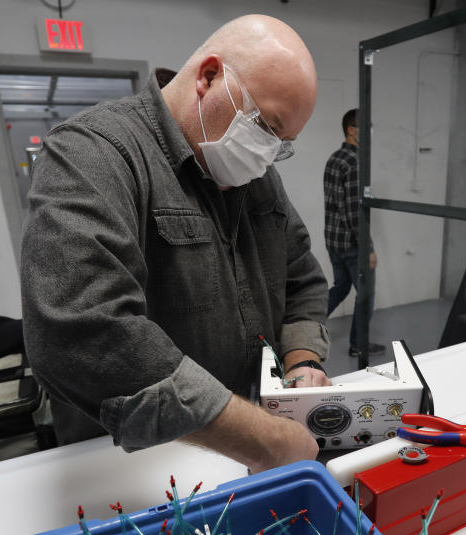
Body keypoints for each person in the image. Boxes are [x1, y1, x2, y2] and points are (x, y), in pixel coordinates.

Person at [21, 15, 331, 474]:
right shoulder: (94, 152)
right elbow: (84, 331)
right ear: (208, 76)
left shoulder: (259, 179)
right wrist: (261, 438)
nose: (267, 154)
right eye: (266, 126)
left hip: (240, 449)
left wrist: (302, 362)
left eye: (282, 144)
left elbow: (301, 279)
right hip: (127, 463)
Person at [323, 109, 384, 357]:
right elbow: (352, 212)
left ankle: (301, 325)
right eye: (365, 128)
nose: (369, 133)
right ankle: (359, 345)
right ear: (351, 129)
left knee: (341, 287)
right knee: (366, 294)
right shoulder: (355, 162)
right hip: (351, 244)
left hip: (333, 240)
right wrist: (367, 248)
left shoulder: (334, 158)